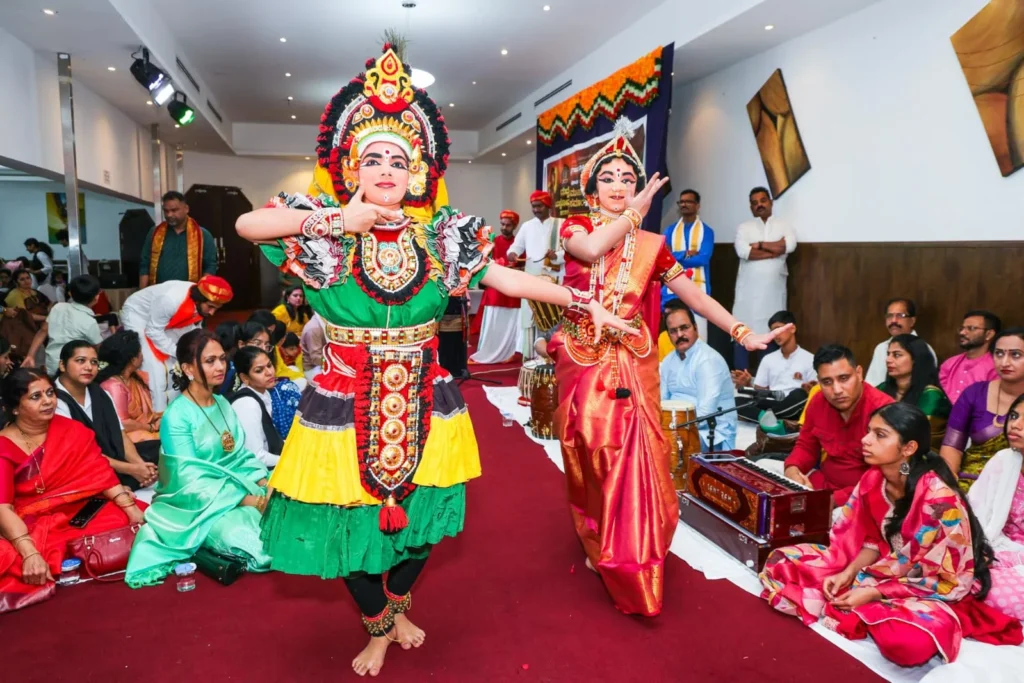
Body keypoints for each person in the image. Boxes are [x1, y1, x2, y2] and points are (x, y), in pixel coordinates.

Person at [234, 43, 635, 676]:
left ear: (416, 171)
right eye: (373, 158)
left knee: (424, 522)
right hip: (342, 400)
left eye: (399, 159)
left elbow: (506, 275)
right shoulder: (323, 227)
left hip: (428, 398)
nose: (386, 169)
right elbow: (246, 226)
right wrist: (337, 222)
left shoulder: (440, 237)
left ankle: (395, 610)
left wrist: (583, 303)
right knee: (344, 529)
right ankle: (378, 626)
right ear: (352, 166)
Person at [551, 116, 789, 617]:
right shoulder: (576, 227)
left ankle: (633, 554)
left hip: (634, 361)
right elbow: (591, 251)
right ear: (591, 189)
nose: (619, 186)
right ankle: (596, 532)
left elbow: (696, 299)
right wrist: (633, 215)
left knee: (635, 458)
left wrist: (743, 332)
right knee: (589, 453)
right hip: (583, 358)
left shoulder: (652, 246)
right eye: (608, 178)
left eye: (628, 178)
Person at [761, 402, 1022, 667]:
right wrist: (849, 572)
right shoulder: (874, 479)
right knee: (785, 562)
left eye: (880, 435)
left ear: (908, 448)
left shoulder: (940, 502)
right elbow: (873, 541)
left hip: (928, 584)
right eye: (868, 431)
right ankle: (866, 607)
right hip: (883, 567)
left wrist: (875, 592)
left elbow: (950, 579)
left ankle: (871, 609)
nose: (866, 440)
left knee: (906, 645)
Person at [125, 330, 272, 587]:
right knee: (250, 539)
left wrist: (264, 483)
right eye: (210, 361)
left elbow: (240, 456)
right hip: (198, 506)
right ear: (188, 369)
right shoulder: (177, 416)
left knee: (290, 497)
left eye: (222, 359)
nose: (220, 367)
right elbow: (189, 481)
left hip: (239, 486)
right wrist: (253, 501)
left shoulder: (222, 403)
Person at [0, 368, 146, 613]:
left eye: (50, 393)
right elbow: (3, 508)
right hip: (34, 522)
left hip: (84, 509)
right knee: (23, 554)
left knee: (133, 516)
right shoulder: (4, 446)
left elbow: (100, 474)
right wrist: (29, 552)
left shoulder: (71, 430)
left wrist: (130, 509)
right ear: (15, 408)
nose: (48, 401)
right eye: (36, 397)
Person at [784, 345, 894, 508]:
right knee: (764, 468)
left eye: (844, 378)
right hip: (821, 485)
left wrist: (832, 501)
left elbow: (884, 478)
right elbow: (806, 446)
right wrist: (792, 470)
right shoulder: (818, 401)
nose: (836, 390)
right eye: (827, 382)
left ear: (859, 373)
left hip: (862, 499)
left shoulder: (885, 411)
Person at [53, 341, 158, 490]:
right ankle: (120, 484)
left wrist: (140, 466)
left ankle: (131, 480)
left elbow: (121, 436)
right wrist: (132, 469)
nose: (89, 367)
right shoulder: (54, 400)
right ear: (62, 365)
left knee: (161, 447)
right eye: (81, 361)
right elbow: (82, 454)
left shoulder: (100, 393)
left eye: (94, 362)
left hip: (112, 459)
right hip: (82, 465)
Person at [119, 275, 233, 412]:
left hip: (163, 318)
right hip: (138, 314)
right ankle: (158, 412)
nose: (212, 313)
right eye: (210, 307)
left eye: (216, 308)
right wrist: (178, 352)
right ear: (199, 299)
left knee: (180, 360)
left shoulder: (198, 305)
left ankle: (177, 408)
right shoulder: (171, 300)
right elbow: (153, 331)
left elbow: (193, 334)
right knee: (155, 366)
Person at [940, 328, 1024, 492]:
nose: (1004, 362)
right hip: (971, 484)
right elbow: (952, 446)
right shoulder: (975, 393)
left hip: (1018, 490)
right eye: (999, 354)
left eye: (1015, 355)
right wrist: (949, 486)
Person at [969, 394, 1024, 621]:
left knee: (992, 591)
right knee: (962, 572)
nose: (1016, 425)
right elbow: (976, 513)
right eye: (1014, 416)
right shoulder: (1004, 460)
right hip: (1000, 546)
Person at [732, 187, 796, 369]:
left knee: (772, 333)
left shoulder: (783, 225)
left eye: (763, 200)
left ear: (771, 202)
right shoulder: (744, 228)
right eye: (754, 203)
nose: (759, 205)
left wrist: (759, 245)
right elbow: (743, 252)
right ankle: (740, 380)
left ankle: (767, 381)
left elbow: (789, 246)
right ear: (751, 207)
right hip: (748, 296)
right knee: (743, 333)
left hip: (773, 294)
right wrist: (775, 251)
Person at [660, 303, 736, 450]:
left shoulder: (708, 360)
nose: (680, 335)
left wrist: (670, 429)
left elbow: (704, 414)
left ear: (695, 327)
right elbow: (662, 401)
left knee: (665, 445)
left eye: (684, 328)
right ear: (668, 335)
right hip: (676, 427)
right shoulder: (669, 361)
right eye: (673, 331)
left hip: (710, 434)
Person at [507, 190, 565, 359]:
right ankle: (531, 356)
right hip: (532, 279)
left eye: (539, 206)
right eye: (533, 206)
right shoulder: (527, 226)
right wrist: (512, 254)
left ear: (548, 206)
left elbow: (570, 250)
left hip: (554, 279)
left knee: (553, 315)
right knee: (531, 316)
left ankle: (552, 355)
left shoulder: (561, 224)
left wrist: (556, 256)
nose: (536, 210)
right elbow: (515, 247)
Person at [732, 310, 816, 421]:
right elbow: (759, 393)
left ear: (792, 328)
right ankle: (773, 421)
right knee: (736, 402)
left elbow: (814, 393)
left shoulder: (810, 359)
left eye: (778, 329)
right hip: (773, 402)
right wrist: (748, 383)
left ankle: (767, 419)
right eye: (772, 331)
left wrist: (808, 389)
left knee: (799, 395)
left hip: (795, 405)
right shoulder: (768, 359)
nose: (775, 334)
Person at [469, 209, 523, 364]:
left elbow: (524, 265)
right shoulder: (493, 242)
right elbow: (484, 262)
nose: (504, 227)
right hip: (495, 290)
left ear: (514, 226)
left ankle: (510, 353)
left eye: (508, 225)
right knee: (493, 324)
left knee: (511, 324)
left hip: (513, 290)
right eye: (502, 224)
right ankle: (488, 353)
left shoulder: (519, 244)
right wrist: (502, 263)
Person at [97, 330, 162, 456]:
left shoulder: (134, 379)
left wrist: (158, 420)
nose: (142, 356)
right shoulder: (114, 386)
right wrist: (151, 428)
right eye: (140, 352)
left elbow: (146, 415)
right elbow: (123, 423)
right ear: (132, 359)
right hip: (128, 439)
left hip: (144, 430)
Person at [878, 334, 951, 446]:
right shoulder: (881, 389)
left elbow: (917, 437)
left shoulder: (931, 396)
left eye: (897, 355)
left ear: (915, 359)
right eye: (888, 354)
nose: (888, 360)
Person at [661, 189, 713, 339]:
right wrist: (685, 253)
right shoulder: (670, 231)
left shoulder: (706, 231)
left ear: (697, 205)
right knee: (675, 336)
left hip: (698, 289)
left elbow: (703, 259)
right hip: (673, 291)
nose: (684, 205)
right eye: (681, 202)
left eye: (688, 201)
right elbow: (664, 257)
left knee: (699, 336)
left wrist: (675, 256)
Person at [23, 274, 102, 373]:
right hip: (73, 370)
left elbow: (42, 331)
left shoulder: (58, 307)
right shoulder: (89, 322)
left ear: (70, 293)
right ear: (96, 297)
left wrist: (30, 355)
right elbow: (98, 348)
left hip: (51, 364)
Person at [138, 191, 217, 288]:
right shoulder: (154, 233)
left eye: (174, 210)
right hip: (158, 293)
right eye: (166, 211)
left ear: (186, 209)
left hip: (190, 293)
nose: (169, 215)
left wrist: (202, 293)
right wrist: (142, 293)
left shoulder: (203, 235)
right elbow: (145, 264)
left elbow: (210, 267)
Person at [228, 346, 283, 468]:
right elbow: (255, 456)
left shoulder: (264, 393)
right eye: (259, 371)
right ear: (245, 378)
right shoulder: (247, 404)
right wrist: (290, 459)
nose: (269, 373)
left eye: (269, 365)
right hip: (255, 470)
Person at [864, 298, 937, 387]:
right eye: (889, 316)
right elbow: (871, 384)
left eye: (900, 315)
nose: (894, 320)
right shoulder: (881, 348)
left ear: (912, 321)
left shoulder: (923, 349)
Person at [940, 310, 1001, 404]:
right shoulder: (950, 363)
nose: (962, 333)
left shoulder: (995, 368)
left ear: (989, 334)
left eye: (971, 328)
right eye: (962, 328)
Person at [1, 269, 50, 368]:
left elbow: (49, 303)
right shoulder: (14, 295)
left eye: (28, 278)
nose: (26, 281)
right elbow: (24, 315)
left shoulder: (34, 292)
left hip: (42, 326)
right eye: (22, 279)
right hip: (25, 331)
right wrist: (47, 318)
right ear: (16, 282)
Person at [300, 313, 325, 382]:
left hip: (322, 364)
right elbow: (316, 359)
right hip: (312, 368)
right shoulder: (314, 329)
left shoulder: (322, 323)